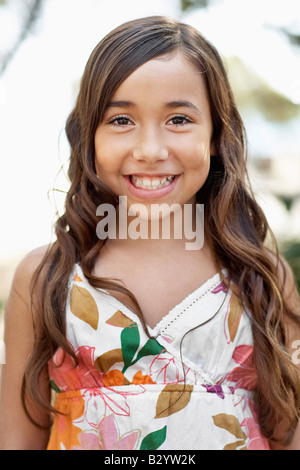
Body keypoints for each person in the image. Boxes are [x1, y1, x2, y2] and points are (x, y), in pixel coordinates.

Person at [0, 16, 299, 451]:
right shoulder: (47, 277)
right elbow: (16, 440)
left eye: (179, 119)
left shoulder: (260, 276)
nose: (150, 150)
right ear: (90, 136)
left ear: (217, 134)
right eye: (121, 120)